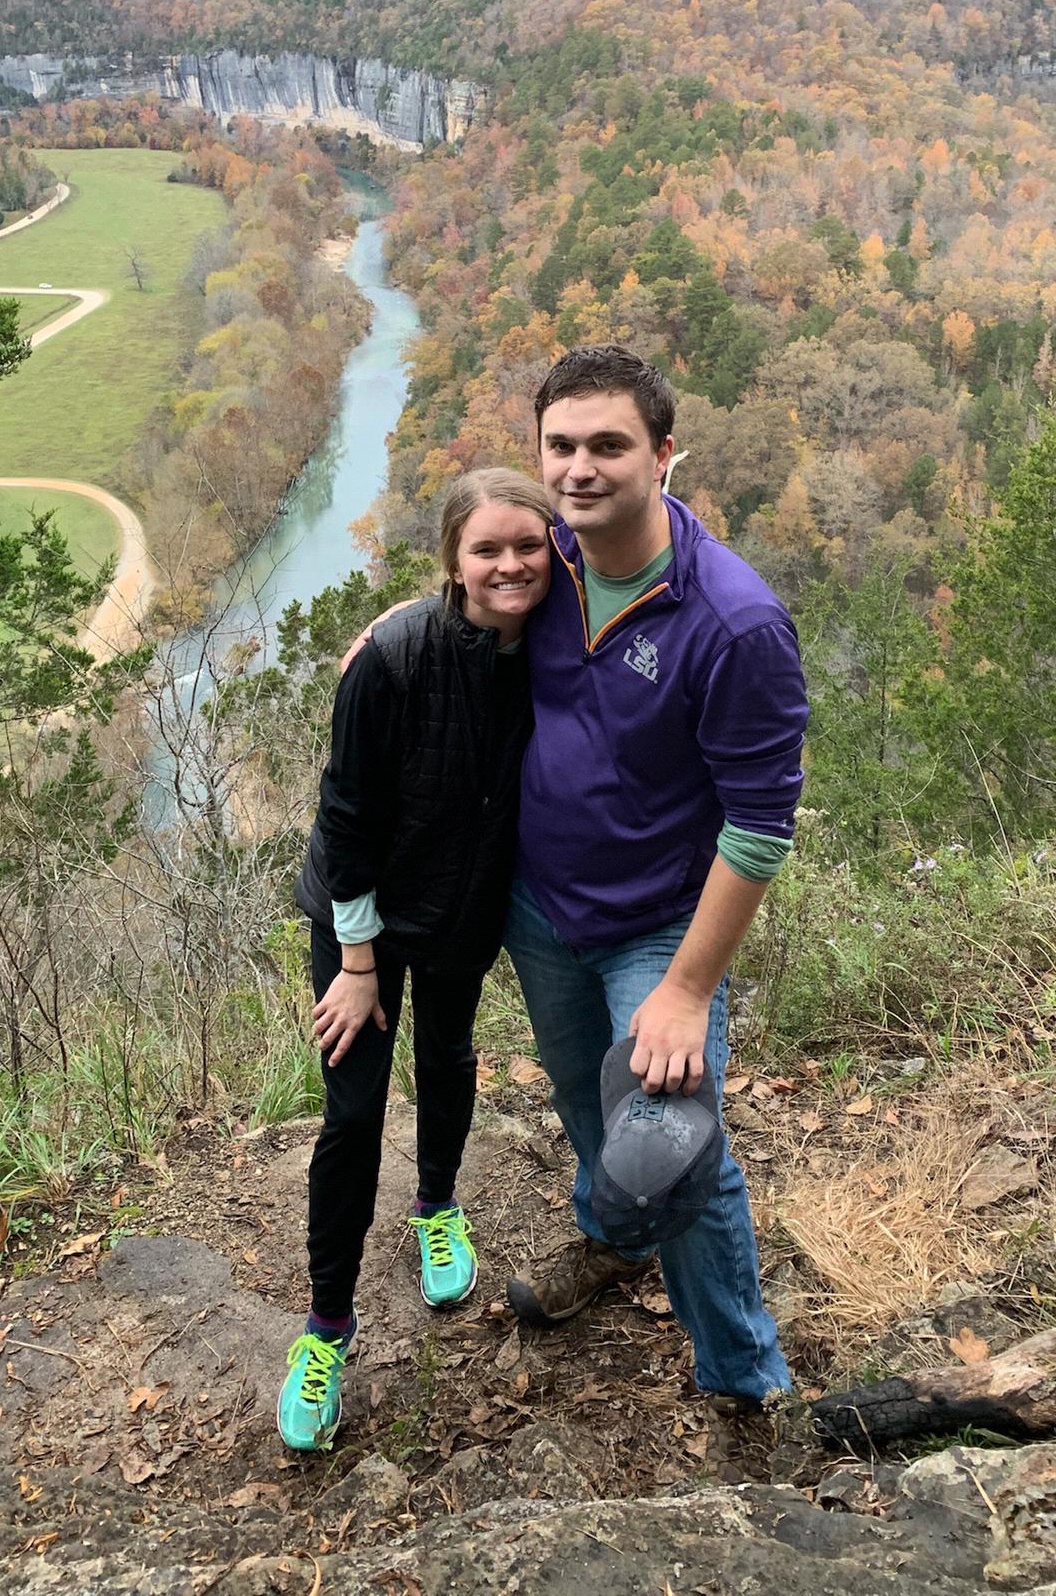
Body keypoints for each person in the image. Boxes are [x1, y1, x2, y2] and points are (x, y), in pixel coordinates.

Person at [502, 344, 808, 1413]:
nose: (580, 468)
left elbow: (763, 825)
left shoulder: (733, 620)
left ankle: (743, 1380)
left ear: (663, 453)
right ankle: (609, 1235)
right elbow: (461, 595)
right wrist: (386, 635)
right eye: (561, 445)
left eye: (609, 445)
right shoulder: (542, 562)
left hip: (656, 929)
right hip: (540, 904)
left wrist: (682, 989)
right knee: (591, 1104)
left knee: (677, 1151)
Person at [278, 466, 554, 1453]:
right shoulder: (391, 657)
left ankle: (437, 1203)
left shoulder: (560, 640)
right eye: (486, 549)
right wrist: (356, 961)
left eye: (528, 544)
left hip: (462, 903)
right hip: (361, 913)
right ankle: (326, 1328)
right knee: (351, 1113)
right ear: (453, 563)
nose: (510, 563)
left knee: (445, 1053)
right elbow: (343, 818)